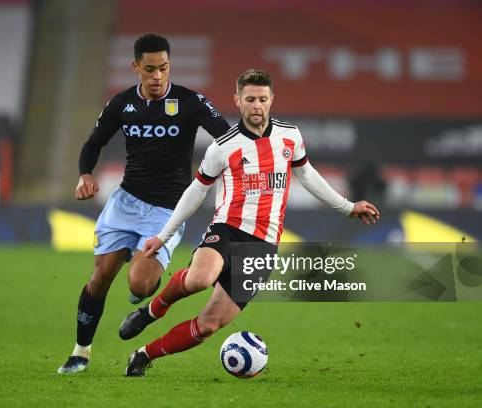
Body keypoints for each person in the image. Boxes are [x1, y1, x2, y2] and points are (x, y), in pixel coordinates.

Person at [119, 69, 380, 376]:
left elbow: (308, 175)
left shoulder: (290, 137)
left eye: (262, 99)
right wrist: (163, 236)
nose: (257, 105)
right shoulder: (222, 147)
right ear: (238, 100)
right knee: (201, 278)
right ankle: (153, 310)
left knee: (208, 325)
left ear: (272, 100)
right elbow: (196, 191)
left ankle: (144, 355)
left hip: (263, 246)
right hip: (227, 229)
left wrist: (347, 207)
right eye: (250, 99)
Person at [57, 33, 230, 374]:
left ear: (169, 66)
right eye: (149, 69)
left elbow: (226, 137)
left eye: (163, 68)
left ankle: (142, 294)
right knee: (99, 278)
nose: (156, 76)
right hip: (126, 203)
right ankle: (80, 352)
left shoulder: (191, 102)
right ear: (135, 67)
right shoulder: (121, 104)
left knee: (139, 285)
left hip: (167, 211)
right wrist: (84, 174)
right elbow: (94, 143)